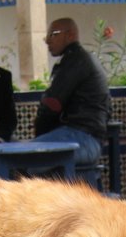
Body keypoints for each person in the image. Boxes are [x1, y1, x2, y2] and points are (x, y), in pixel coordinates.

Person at [32, 17, 110, 167]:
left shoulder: (76, 61)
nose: (47, 41)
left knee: (18, 161)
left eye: (53, 34)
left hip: (81, 138)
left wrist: (40, 132)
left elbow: (52, 104)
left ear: (70, 35)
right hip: (84, 137)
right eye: (46, 36)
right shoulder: (78, 60)